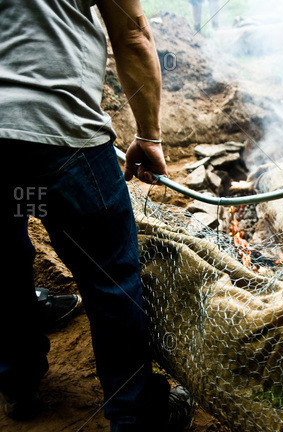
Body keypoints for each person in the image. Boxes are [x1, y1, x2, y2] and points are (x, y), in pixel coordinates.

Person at [0, 0, 194, 430]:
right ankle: (136, 414)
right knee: (111, 279)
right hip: (62, 139)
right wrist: (148, 136)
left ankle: (15, 380)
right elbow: (132, 35)